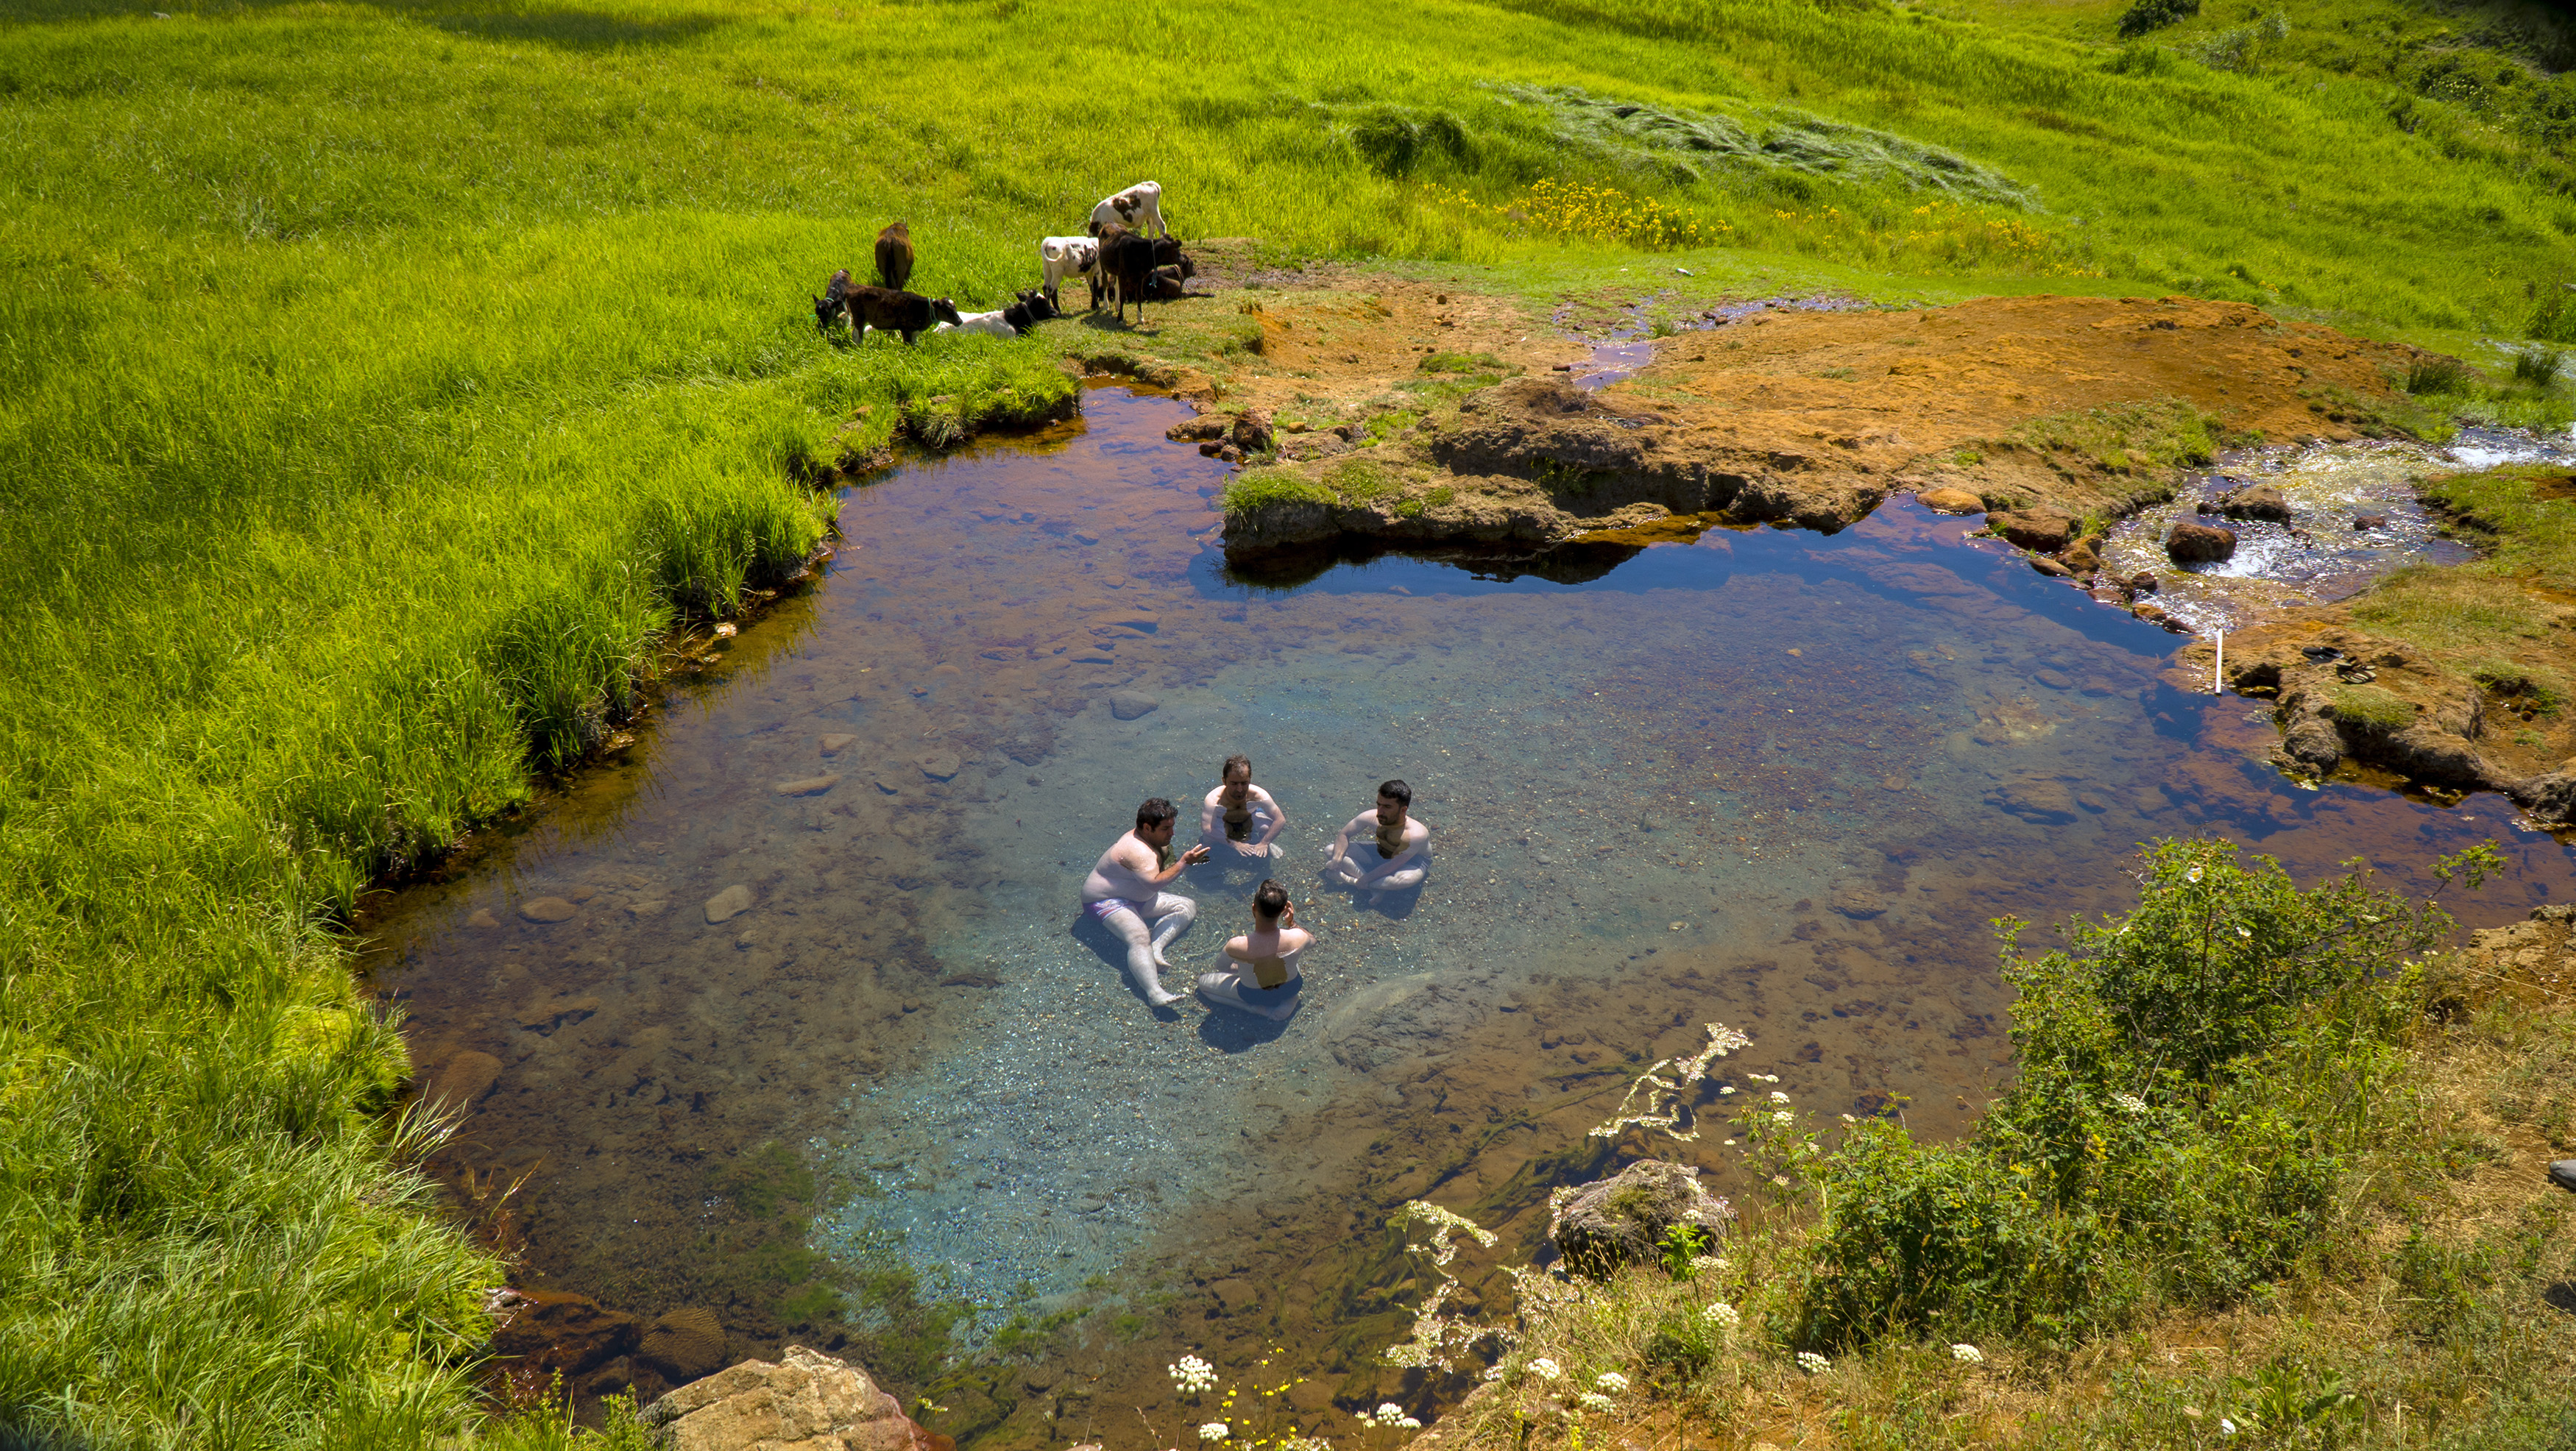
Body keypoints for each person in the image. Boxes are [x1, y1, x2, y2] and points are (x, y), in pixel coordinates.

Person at [1081, 798, 1210, 1006]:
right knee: (1139, 936)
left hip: (1136, 899)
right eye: (1166, 829)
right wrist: (1184, 863)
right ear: (1147, 828)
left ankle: (1156, 948)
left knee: (1186, 906)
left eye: (1172, 827)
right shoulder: (1137, 850)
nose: (1172, 834)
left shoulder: (1150, 841)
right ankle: (1154, 993)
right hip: (1105, 901)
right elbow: (1153, 884)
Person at [1197, 879, 1312, 1021]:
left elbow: (1222, 967)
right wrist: (1291, 923)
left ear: (1253, 908)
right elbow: (1313, 942)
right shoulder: (1298, 936)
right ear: (1284, 910)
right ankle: (1290, 999)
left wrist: (1244, 968)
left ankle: (1254, 1009)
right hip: (1291, 987)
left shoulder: (1237, 945)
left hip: (1255, 995)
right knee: (1291, 956)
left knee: (1203, 984)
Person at [1322, 778, 1430, 903]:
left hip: (1412, 860)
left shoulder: (1415, 834)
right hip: (1382, 850)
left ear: (1403, 810)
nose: (1380, 811)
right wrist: (1337, 859)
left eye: (1387, 807)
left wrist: (1364, 879)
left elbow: (1394, 865)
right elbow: (1344, 834)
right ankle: (1376, 887)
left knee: (1404, 880)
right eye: (1379, 804)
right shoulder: (1371, 816)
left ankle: (1353, 881)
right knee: (1330, 850)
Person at [1199, 753, 1288, 860]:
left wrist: (1265, 842)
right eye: (1234, 784)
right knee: (1208, 838)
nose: (1240, 789)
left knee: (1266, 828)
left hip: (1249, 815)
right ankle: (1206, 850)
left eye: (1244, 783)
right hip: (1222, 820)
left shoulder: (1259, 796)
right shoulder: (1214, 800)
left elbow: (1280, 819)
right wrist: (1236, 844)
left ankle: (1267, 845)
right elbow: (1207, 829)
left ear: (1250, 780)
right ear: (1224, 781)